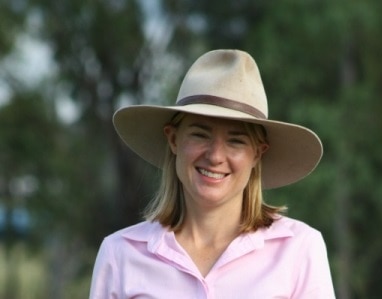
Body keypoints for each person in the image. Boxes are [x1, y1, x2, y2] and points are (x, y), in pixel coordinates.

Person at [89, 49, 336, 299]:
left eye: (236, 141)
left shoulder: (299, 249)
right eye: (200, 134)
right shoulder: (120, 254)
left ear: (257, 154)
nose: (216, 156)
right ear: (173, 139)